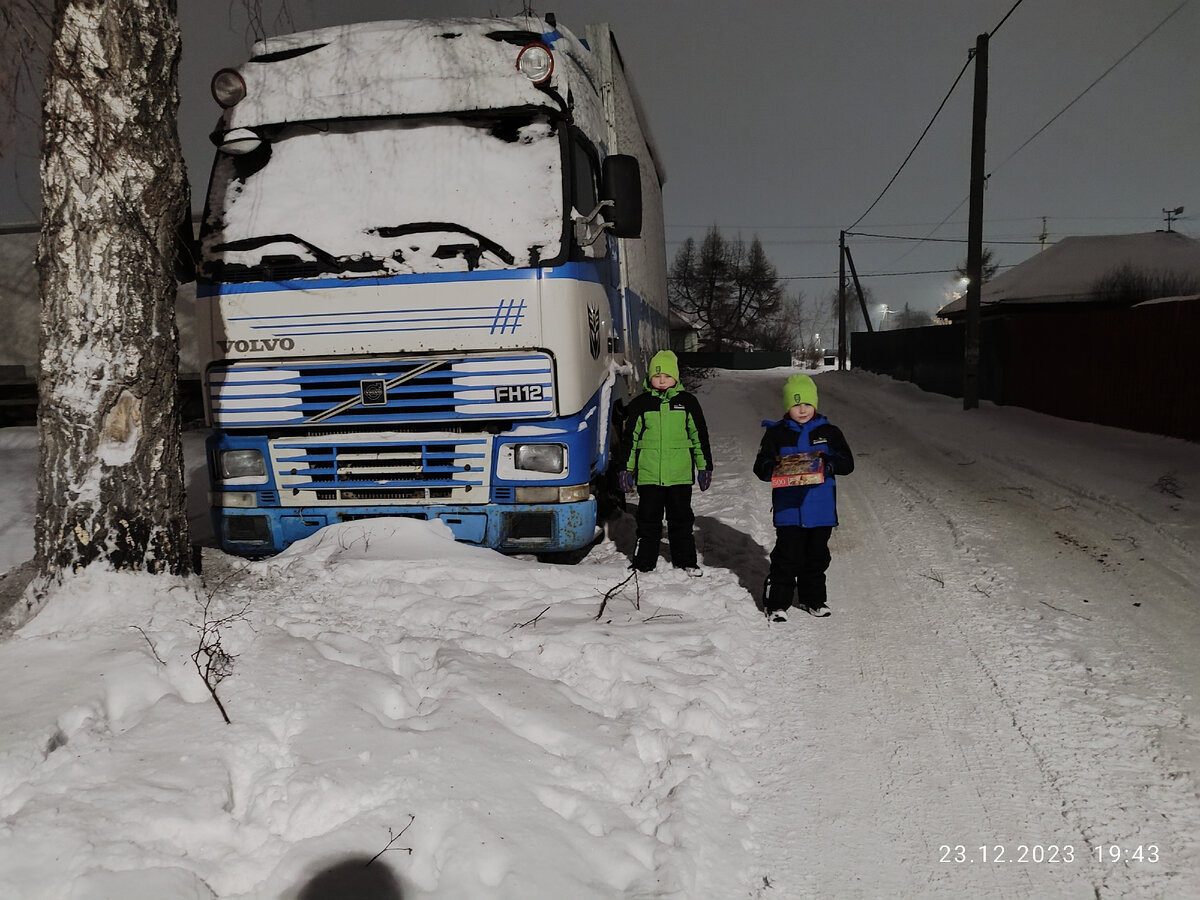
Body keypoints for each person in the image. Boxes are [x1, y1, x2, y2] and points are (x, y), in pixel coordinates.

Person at [753, 373, 853, 621]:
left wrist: (828, 463)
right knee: (787, 558)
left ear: (815, 404)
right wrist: (773, 468)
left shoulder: (829, 432)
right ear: (788, 406)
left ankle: (814, 600)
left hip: (821, 510)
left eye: (807, 404)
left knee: (816, 558)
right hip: (789, 511)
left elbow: (847, 463)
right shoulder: (776, 434)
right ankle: (777, 604)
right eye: (796, 404)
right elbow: (761, 466)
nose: (802, 409)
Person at [618, 350, 713, 574]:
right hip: (650, 475)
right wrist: (626, 468)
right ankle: (644, 562)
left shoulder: (688, 402)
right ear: (649, 377)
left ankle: (686, 560)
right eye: (657, 375)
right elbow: (630, 438)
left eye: (667, 376)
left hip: (679, 476)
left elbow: (699, 436)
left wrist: (704, 466)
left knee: (681, 520)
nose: (662, 380)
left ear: (676, 377)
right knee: (648, 521)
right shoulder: (641, 404)